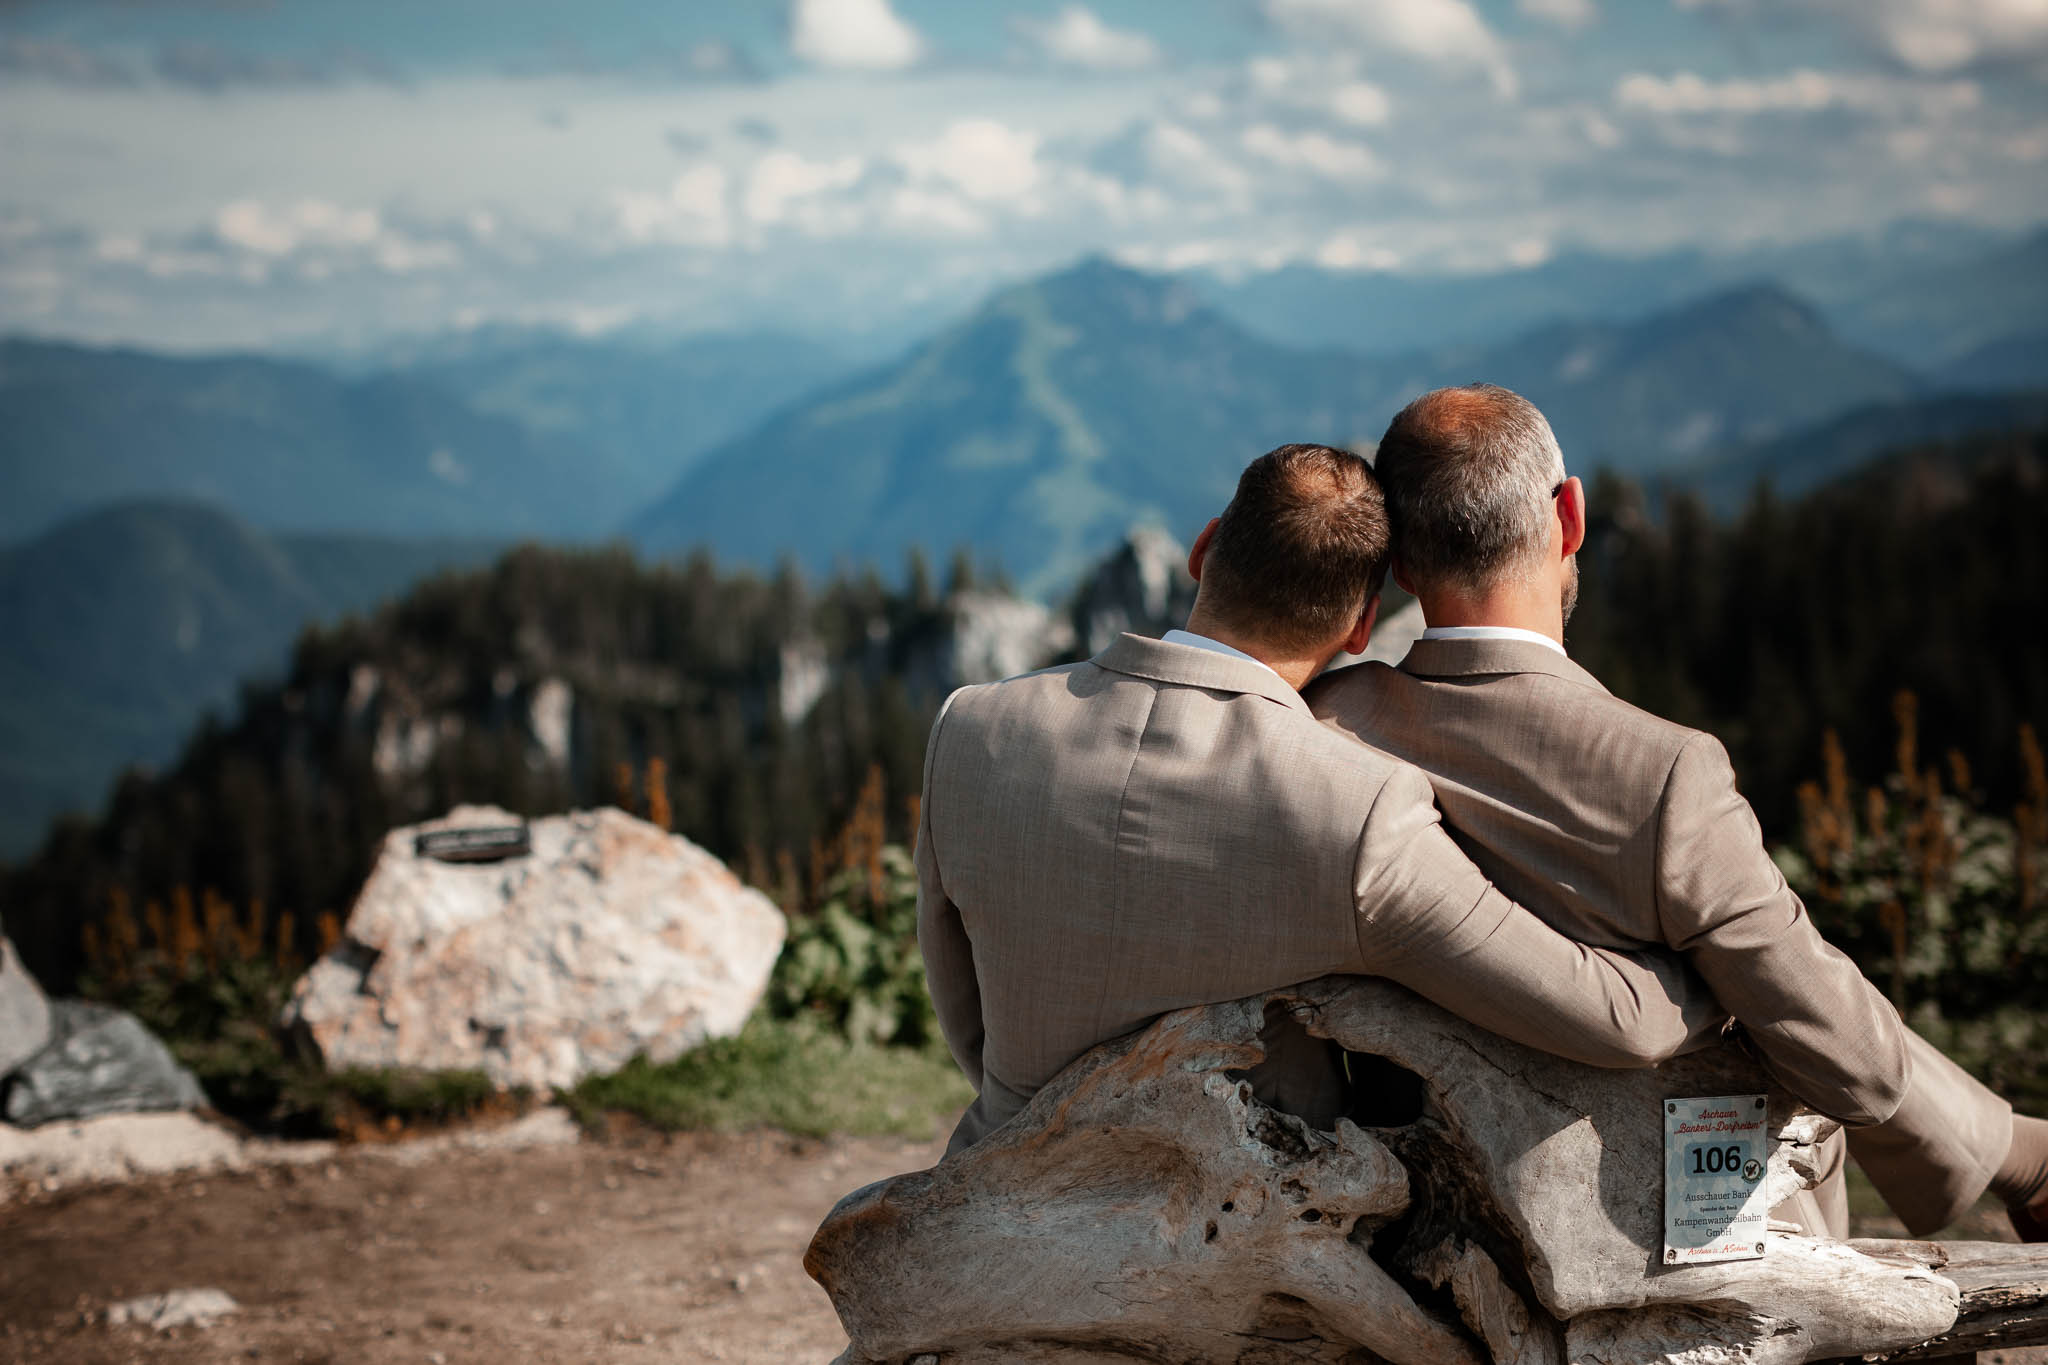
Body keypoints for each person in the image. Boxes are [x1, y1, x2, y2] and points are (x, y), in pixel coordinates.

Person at [1307, 383, 2048, 1241]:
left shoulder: (1326, 725)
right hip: (1662, 1223)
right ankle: (2022, 1155)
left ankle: (2020, 1151)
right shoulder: (1665, 772)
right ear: (1570, 517)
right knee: (1790, 1004)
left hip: (1419, 1203)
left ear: (1399, 562)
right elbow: (1864, 1074)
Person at [915, 442, 1713, 1155]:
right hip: (1241, 1253)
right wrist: (1729, 974)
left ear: (1202, 551)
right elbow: (1614, 1019)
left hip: (999, 1181)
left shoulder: (972, 725)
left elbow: (968, 1018)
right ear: (1363, 625)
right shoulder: (1358, 812)